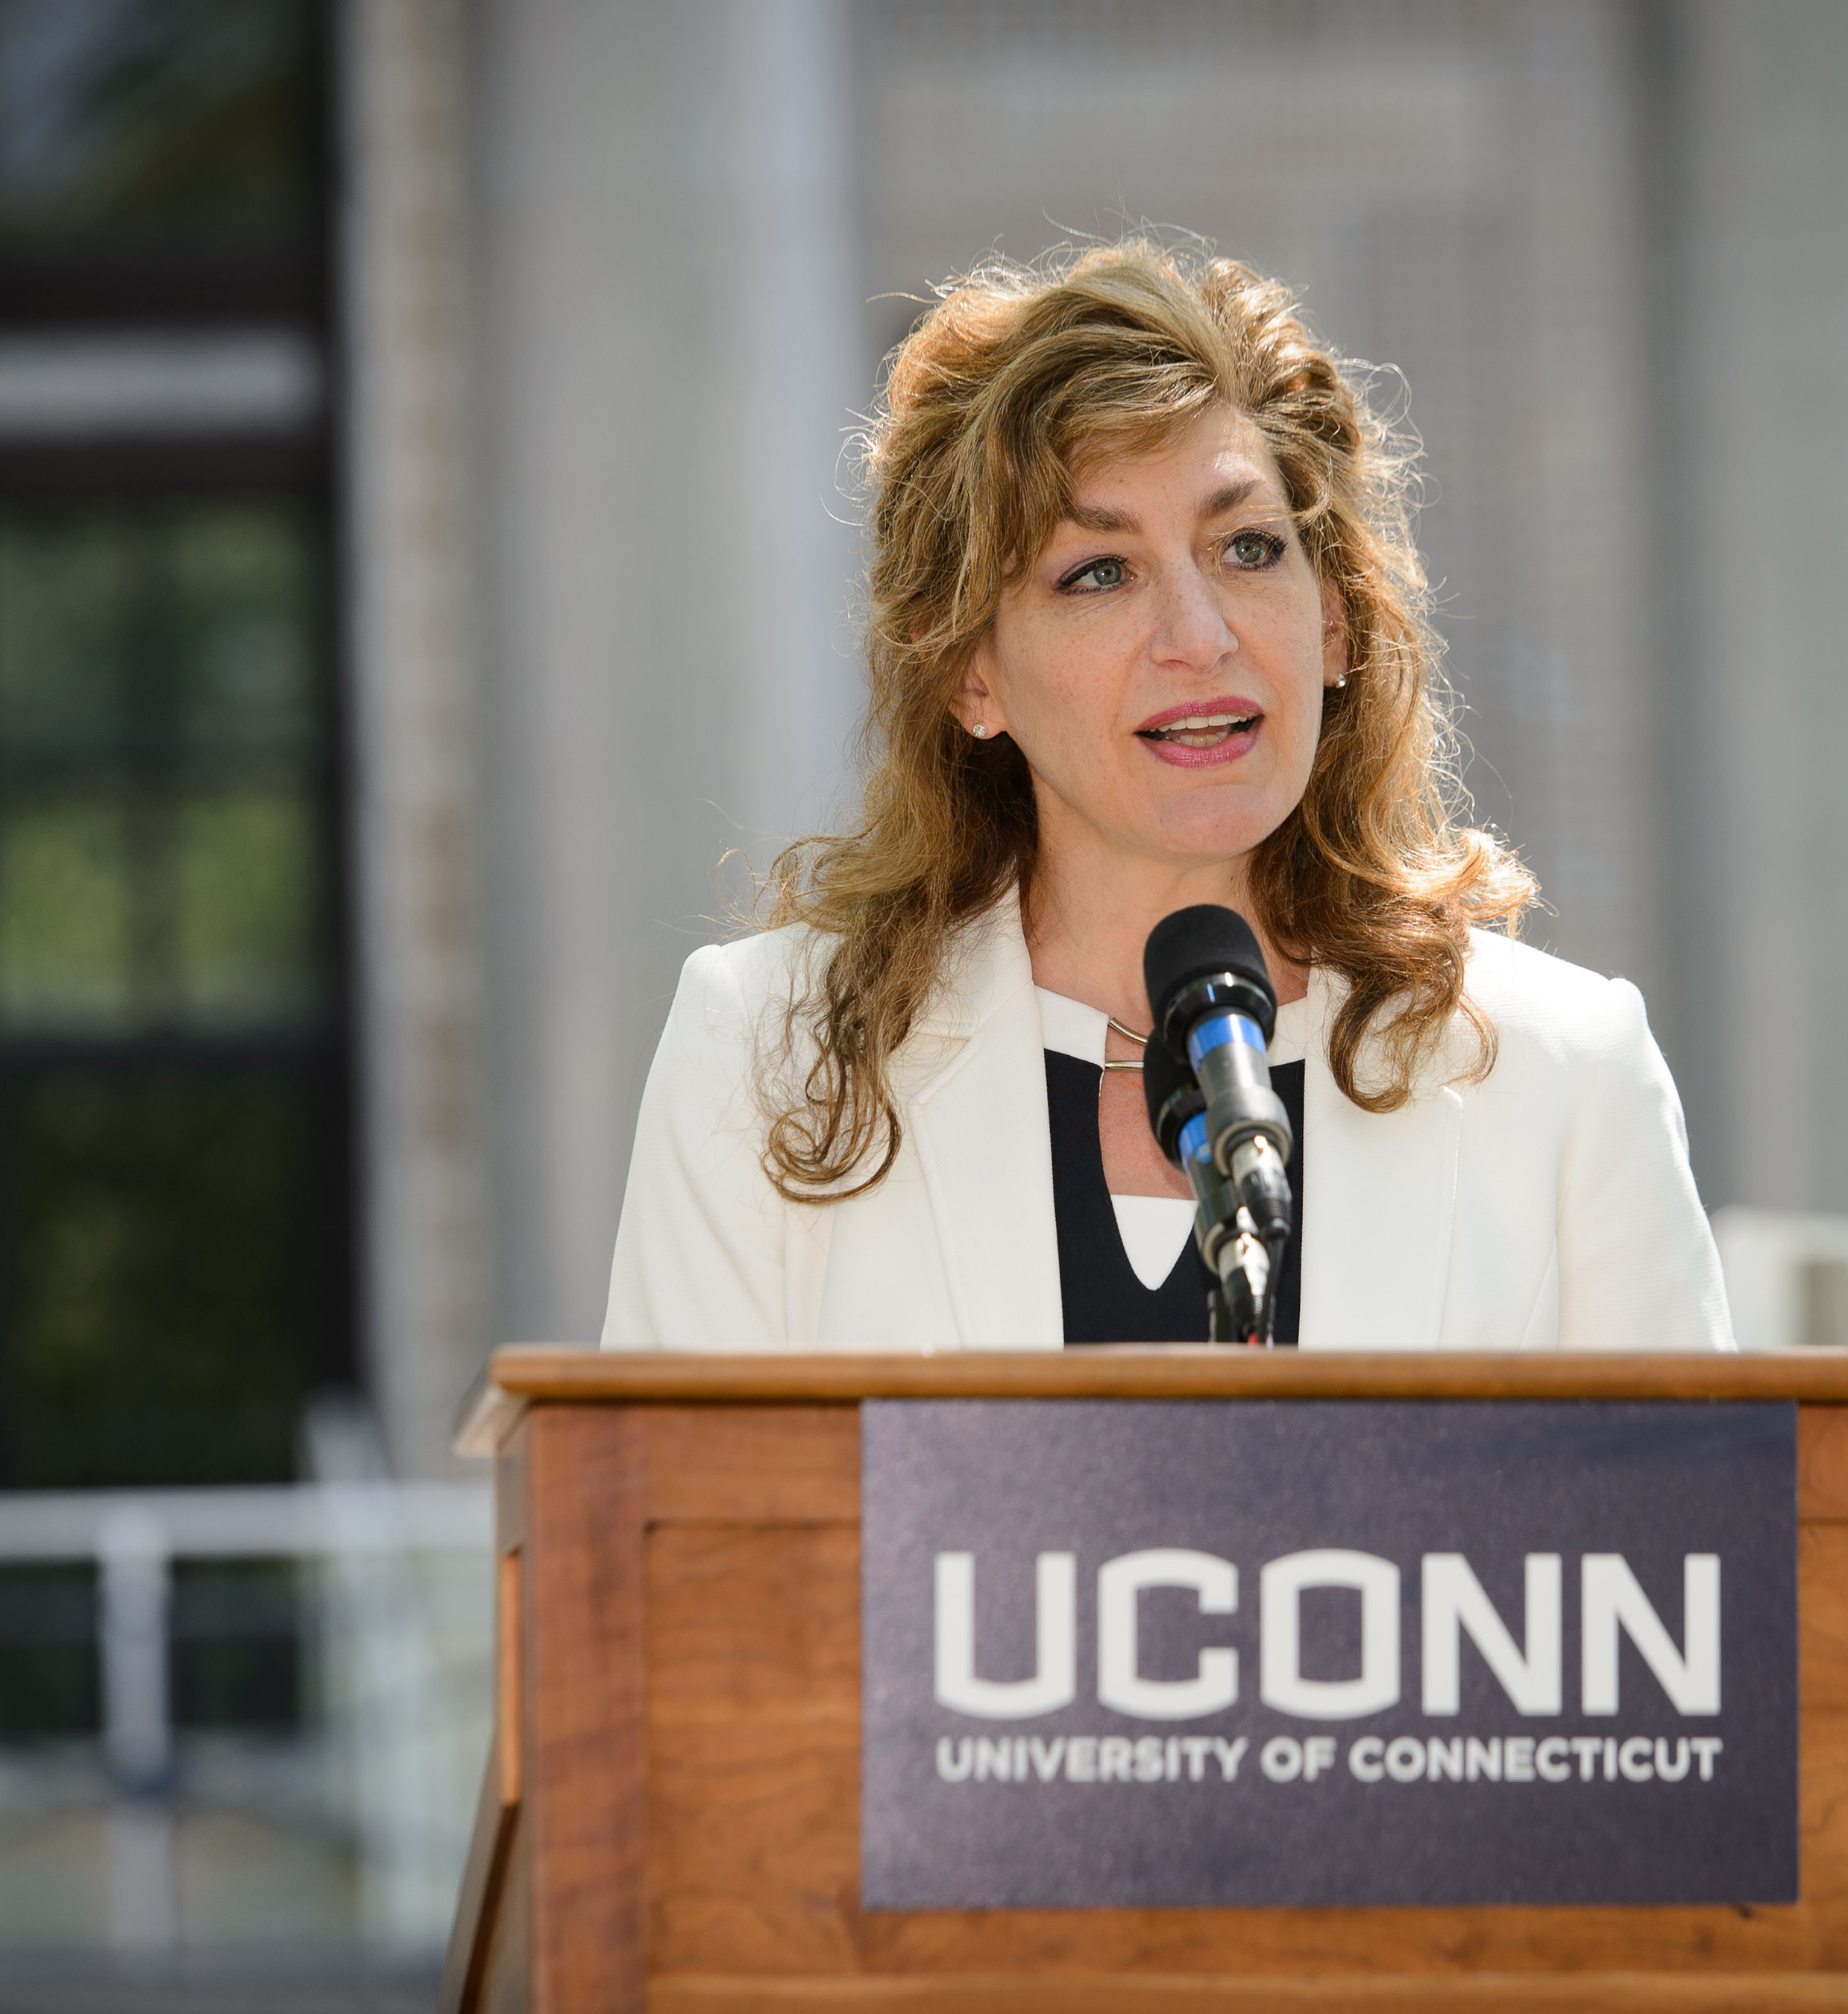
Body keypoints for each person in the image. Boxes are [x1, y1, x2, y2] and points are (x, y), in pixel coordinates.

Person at [601, 241, 1729, 1350]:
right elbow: (667, 1531)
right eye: (1099, 572)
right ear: (967, 669)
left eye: (1247, 548)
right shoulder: (774, 1056)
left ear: (1333, 621)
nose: (1200, 637)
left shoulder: (1568, 1079)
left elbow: (1694, 1529)